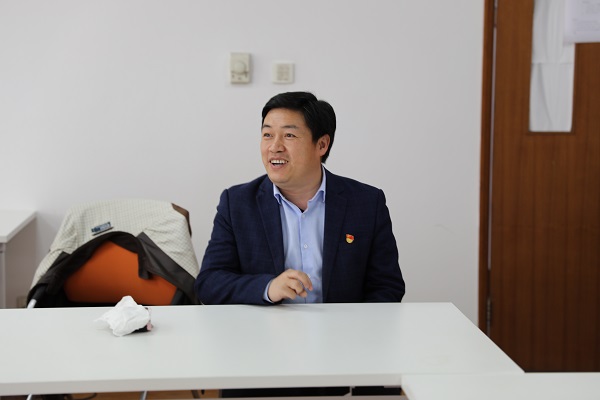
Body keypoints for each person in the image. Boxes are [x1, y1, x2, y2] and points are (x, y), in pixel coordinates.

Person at [194, 91, 405, 396]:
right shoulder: (237, 203)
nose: (274, 146)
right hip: (259, 358)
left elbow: (387, 287)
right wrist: (269, 288)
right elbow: (210, 283)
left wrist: (353, 339)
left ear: (322, 145)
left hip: (345, 358)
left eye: (289, 135)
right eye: (267, 134)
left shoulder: (366, 202)